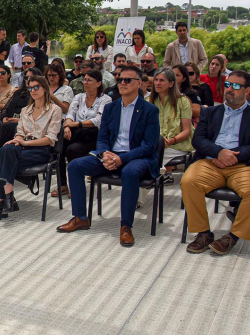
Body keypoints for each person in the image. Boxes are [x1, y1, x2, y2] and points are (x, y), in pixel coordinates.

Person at [57, 65, 160, 247]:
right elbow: (102, 137)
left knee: (129, 172)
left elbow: (149, 146)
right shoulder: (111, 108)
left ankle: (126, 226)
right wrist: (105, 154)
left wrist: (122, 158)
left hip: (137, 157)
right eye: (120, 79)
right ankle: (80, 217)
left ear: (140, 84)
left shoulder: (150, 110)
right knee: (75, 165)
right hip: (111, 154)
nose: (122, 83)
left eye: (128, 80)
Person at [182, 71, 250, 255]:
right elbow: (198, 140)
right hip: (211, 162)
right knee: (189, 181)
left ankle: (233, 237)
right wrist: (218, 152)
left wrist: (234, 156)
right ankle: (204, 233)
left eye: (236, 86)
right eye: (228, 85)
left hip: (246, 165)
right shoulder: (210, 112)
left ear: (247, 90)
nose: (230, 89)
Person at [0, 74, 63, 220]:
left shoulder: (54, 110)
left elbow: (50, 139)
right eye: (30, 88)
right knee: (5, 150)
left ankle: (0, 204)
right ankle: (7, 197)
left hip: (40, 149)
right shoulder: (25, 110)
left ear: (45, 88)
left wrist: (25, 143)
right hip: (21, 148)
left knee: (0, 156)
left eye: (36, 87)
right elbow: (20, 133)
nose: (32, 90)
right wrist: (17, 140)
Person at [55, 70, 111, 198]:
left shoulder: (105, 99)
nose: (85, 82)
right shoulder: (78, 97)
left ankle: (76, 187)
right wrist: (68, 125)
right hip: (75, 133)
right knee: (59, 145)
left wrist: (77, 124)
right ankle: (62, 184)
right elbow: (70, 113)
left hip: (93, 135)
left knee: (72, 149)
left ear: (98, 83)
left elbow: (99, 120)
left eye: (89, 80)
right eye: (84, 80)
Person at [149, 67, 193, 183]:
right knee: (141, 159)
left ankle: (137, 199)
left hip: (177, 145)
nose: (157, 83)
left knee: (150, 159)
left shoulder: (183, 101)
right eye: (156, 80)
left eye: (162, 80)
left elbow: (187, 131)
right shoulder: (150, 101)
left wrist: (170, 141)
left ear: (171, 83)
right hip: (156, 144)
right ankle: (137, 199)